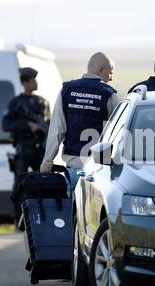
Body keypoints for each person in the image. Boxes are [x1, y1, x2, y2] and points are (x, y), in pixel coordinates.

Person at [40, 52, 119, 189]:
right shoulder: (108, 94)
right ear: (100, 70)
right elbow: (115, 135)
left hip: (72, 170)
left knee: (72, 209)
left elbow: (57, 129)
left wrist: (47, 161)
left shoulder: (67, 90)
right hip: (98, 172)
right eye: (110, 73)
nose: (111, 78)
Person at [2, 67, 50, 224]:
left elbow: (49, 123)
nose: (36, 83)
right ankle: (19, 219)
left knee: (42, 184)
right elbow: (6, 125)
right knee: (20, 185)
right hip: (24, 149)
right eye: (32, 80)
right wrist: (27, 126)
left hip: (40, 149)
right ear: (25, 82)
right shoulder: (16, 103)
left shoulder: (42, 102)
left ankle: (42, 218)